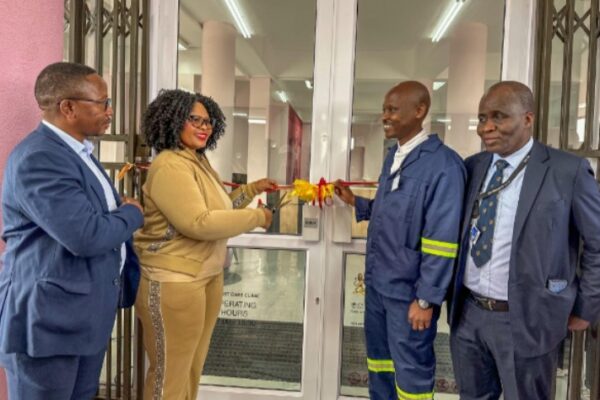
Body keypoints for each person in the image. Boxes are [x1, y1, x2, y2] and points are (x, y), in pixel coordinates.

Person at [448, 81, 600, 399]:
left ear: (527, 119)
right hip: (469, 316)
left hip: (529, 318)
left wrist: (586, 307)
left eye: (498, 117)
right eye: (482, 118)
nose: (486, 127)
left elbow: (597, 243)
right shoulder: (473, 167)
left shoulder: (567, 171)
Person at [0, 62, 144, 399]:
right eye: (103, 103)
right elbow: (86, 236)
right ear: (68, 107)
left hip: (80, 317)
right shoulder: (40, 157)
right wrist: (132, 214)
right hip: (47, 323)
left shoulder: (78, 153)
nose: (110, 111)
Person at [134, 89, 275, 399]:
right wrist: (258, 218)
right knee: (170, 375)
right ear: (172, 121)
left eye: (208, 121)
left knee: (191, 368)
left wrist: (252, 190)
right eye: (194, 119)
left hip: (205, 275)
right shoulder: (170, 165)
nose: (204, 127)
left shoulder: (196, 160)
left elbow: (218, 210)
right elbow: (199, 223)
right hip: (174, 280)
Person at [334, 81, 465, 400]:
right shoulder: (395, 155)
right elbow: (395, 211)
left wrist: (426, 299)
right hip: (378, 285)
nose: (385, 116)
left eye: (392, 109)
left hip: (409, 295)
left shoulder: (444, 166)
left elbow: (442, 240)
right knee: (379, 365)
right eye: (384, 110)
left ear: (420, 111)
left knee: (411, 372)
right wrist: (356, 202)